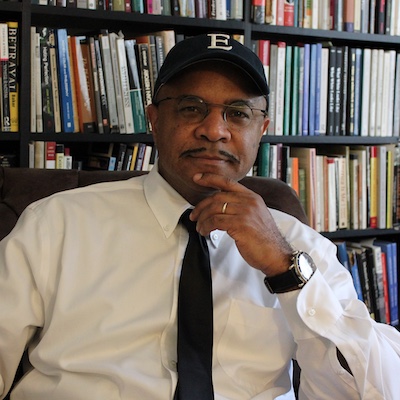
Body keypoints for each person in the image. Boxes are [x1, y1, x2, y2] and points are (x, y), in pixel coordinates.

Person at [0, 33, 400, 400]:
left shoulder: (301, 248)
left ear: (262, 129)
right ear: (154, 120)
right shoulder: (57, 225)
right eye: (192, 108)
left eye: (238, 113)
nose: (214, 130)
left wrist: (284, 269)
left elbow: (378, 390)